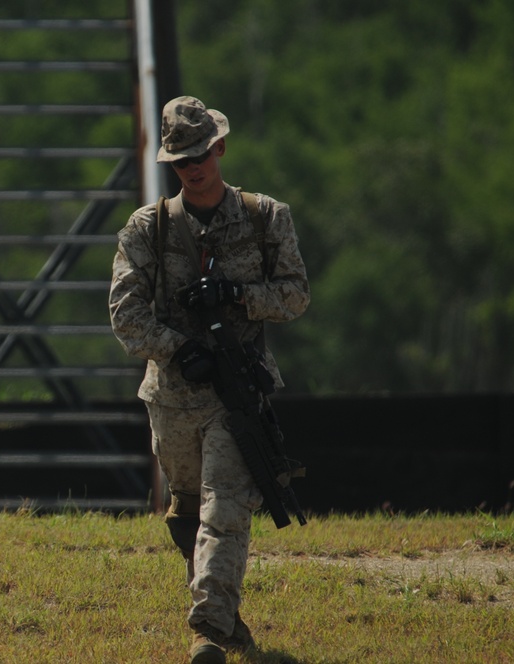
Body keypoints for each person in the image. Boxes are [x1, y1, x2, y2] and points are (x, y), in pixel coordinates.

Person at [109, 96, 309, 663]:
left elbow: (295, 294)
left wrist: (239, 297)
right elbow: (125, 315)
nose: (193, 167)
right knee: (190, 510)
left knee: (226, 508)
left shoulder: (266, 216)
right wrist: (179, 348)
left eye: (200, 154)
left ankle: (209, 626)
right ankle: (227, 625)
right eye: (180, 160)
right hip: (172, 397)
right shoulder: (148, 228)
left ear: (219, 147)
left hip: (236, 392)